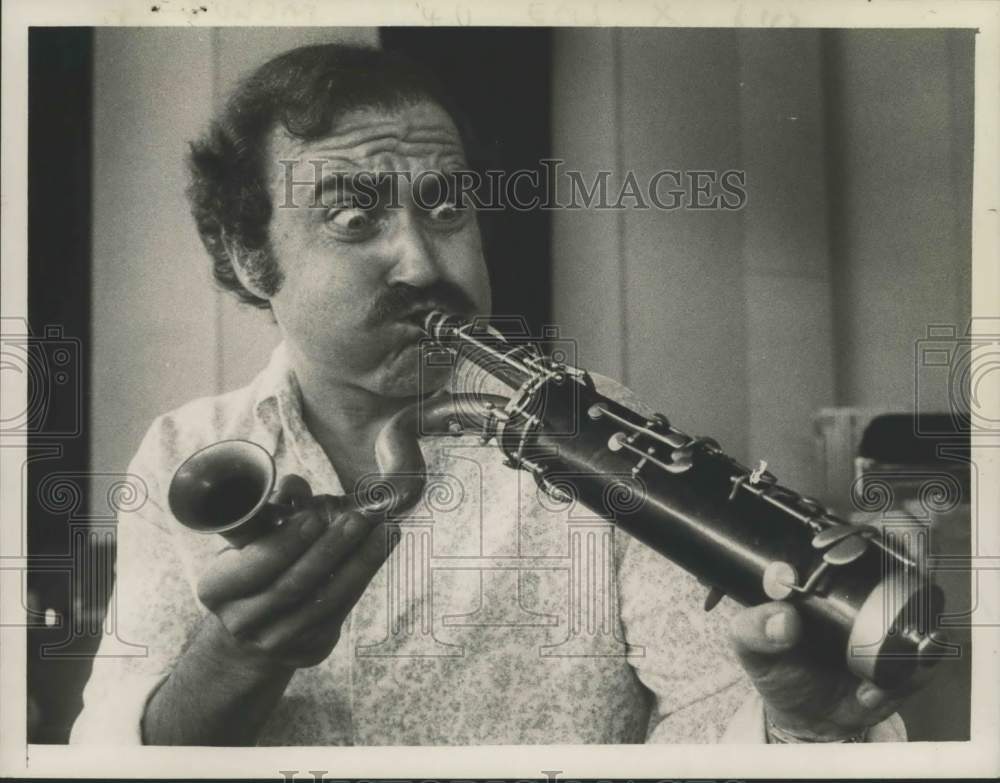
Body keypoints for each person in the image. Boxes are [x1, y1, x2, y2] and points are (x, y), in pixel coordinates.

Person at [71, 43, 911, 746]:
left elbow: (708, 715)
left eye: (445, 208)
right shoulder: (185, 451)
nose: (427, 266)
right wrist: (238, 655)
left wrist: (794, 724)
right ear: (251, 258)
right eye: (354, 219)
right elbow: (105, 749)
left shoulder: (591, 426)